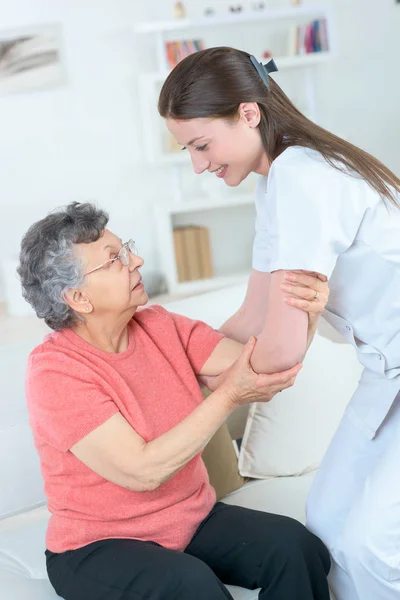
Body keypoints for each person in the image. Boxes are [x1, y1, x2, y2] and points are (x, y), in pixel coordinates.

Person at [158, 46, 400, 600]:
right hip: (386, 369)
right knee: (326, 519)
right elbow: (252, 316)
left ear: (249, 114)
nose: (198, 164)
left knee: (367, 545)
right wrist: (175, 374)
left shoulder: (301, 176)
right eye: (186, 150)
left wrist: (203, 401)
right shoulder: (274, 181)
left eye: (201, 145)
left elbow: (283, 349)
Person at [19, 202, 331, 600]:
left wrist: (307, 311)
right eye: (115, 259)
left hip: (189, 518)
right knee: (191, 586)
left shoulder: (159, 325)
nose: (137, 260)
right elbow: (142, 471)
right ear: (78, 297)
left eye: (126, 249)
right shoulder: (56, 372)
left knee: (295, 548)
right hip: (98, 546)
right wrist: (229, 395)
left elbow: (262, 367)